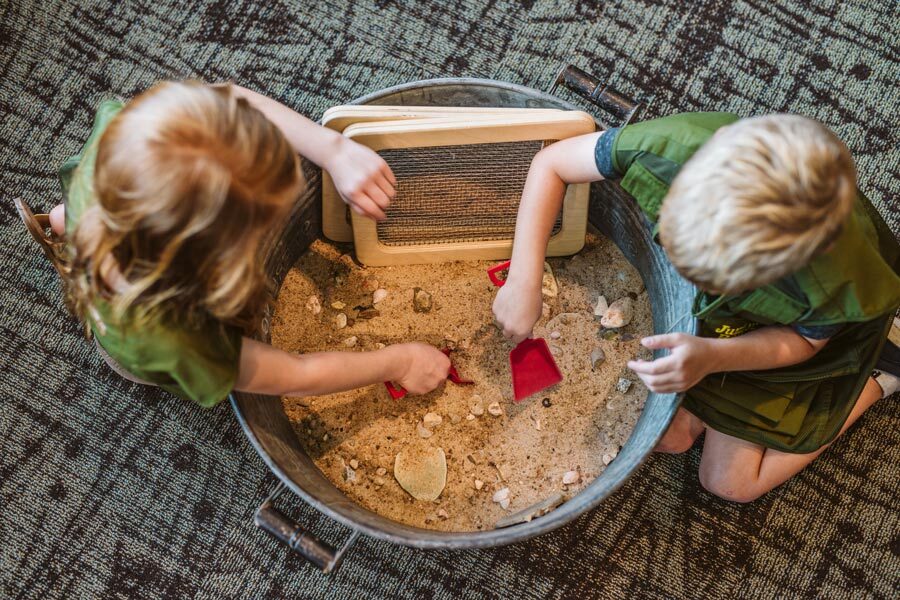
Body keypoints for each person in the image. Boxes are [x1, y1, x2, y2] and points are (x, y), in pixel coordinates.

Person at [492, 112, 900, 502]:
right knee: (670, 436)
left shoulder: (833, 280)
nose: (690, 284)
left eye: (716, 280)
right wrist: (524, 277)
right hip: (721, 331)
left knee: (728, 483)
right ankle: (707, 405)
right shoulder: (672, 147)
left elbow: (803, 343)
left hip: (775, 344)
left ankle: (884, 373)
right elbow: (552, 163)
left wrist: (714, 357)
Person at [16, 81, 450, 407]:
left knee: (70, 214)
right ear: (217, 270)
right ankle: (84, 275)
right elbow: (297, 374)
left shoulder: (129, 137)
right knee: (159, 365)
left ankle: (62, 225)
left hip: (94, 220)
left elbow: (227, 97)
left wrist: (333, 149)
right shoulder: (184, 336)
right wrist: (401, 361)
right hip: (137, 343)